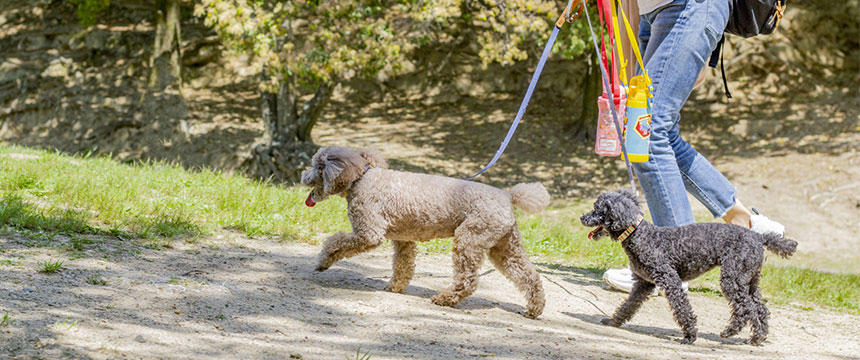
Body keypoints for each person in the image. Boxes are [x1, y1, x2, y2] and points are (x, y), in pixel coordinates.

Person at [602, 0, 786, 293]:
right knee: (661, 132)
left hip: (690, 8)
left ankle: (672, 264)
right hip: (657, 13)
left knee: (648, 134)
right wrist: (624, 78)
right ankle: (744, 219)